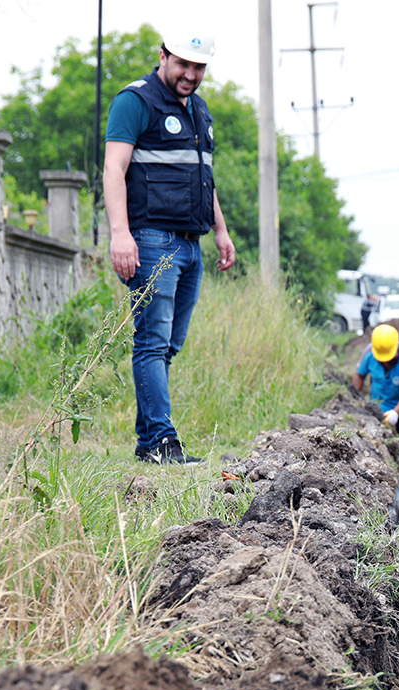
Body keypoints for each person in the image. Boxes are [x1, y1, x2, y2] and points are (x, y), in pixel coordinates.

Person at [103, 30, 237, 465]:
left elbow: (203, 177)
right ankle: (163, 442)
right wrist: (120, 234)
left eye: (199, 67)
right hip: (151, 240)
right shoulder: (134, 101)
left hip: (191, 245)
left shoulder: (200, 109)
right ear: (163, 56)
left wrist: (221, 231)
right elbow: (113, 169)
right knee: (152, 343)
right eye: (183, 64)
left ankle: (149, 443)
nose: (190, 74)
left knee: (167, 346)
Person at [352, 323, 399, 437]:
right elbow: (359, 376)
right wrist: (354, 400)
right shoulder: (369, 354)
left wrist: (395, 413)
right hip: (378, 409)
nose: (385, 362)